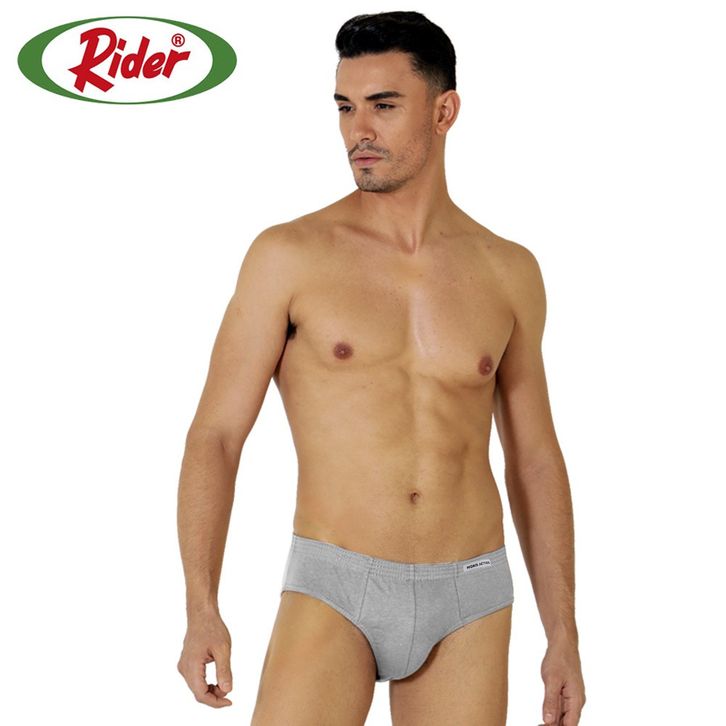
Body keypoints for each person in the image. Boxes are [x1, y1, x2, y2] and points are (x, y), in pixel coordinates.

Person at [176, 10, 585, 726]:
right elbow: (216, 435)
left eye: (384, 106)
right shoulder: (289, 256)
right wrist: (201, 607)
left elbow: (535, 459)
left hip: (470, 595)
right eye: (345, 107)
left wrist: (564, 634)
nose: (357, 131)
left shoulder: (509, 271)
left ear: (444, 111)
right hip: (336, 584)